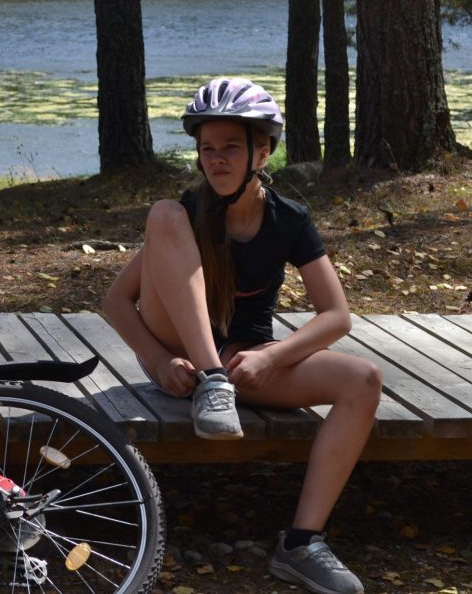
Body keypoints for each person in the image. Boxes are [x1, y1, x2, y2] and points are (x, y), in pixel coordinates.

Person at [102, 77, 382, 594]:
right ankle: (212, 382)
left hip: (245, 360)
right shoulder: (186, 213)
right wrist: (159, 362)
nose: (216, 159)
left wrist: (273, 358)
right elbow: (117, 300)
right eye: (207, 148)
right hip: (183, 353)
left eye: (230, 147)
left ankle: (301, 545)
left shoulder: (289, 219)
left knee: (363, 379)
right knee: (163, 212)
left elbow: (336, 316)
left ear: (263, 151)